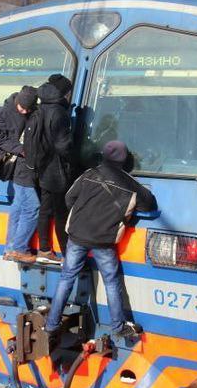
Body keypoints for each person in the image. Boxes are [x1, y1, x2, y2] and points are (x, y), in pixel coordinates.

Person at [45, 140, 157, 339]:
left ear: (103, 156)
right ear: (125, 160)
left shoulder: (89, 174)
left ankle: (52, 325)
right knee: (111, 282)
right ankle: (118, 327)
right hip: (103, 241)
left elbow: (69, 198)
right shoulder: (130, 184)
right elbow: (149, 204)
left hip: (77, 235)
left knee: (66, 277)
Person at [0, 85, 39, 264]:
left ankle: (10, 248)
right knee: (33, 207)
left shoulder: (34, 110)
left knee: (18, 207)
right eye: (21, 108)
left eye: (28, 109)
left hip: (25, 165)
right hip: (16, 164)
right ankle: (19, 248)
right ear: (17, 102)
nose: (24, 111)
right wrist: (20, 150)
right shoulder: (5, 112)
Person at [34, 74, 74, 264]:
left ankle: (44, 248)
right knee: (61, 212)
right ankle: (67, 253)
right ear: (64, 93)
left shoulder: (41, 107)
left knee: (45, 208)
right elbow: (63, 146)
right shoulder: (59, 112)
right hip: (57, 169)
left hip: (41, 166)